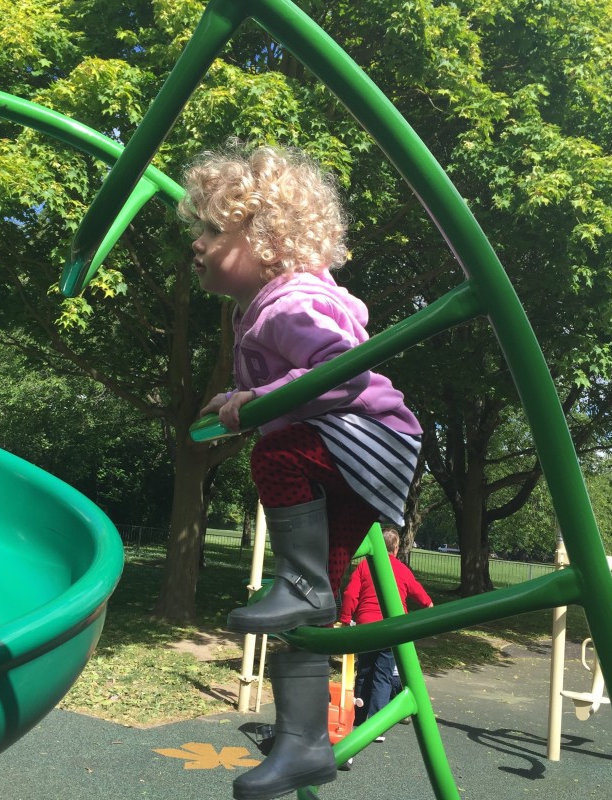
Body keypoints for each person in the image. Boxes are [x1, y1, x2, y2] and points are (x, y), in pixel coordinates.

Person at [180, 141, 422, 800]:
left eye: (209, 229)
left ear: (266, 238)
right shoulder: (255, 307)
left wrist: (249, 404)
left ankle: (302, 584)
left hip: (364, 438)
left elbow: (339, 372)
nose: (195, 244)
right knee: (308, 619)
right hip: (341, 452)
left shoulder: (291, 302)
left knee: (274, 454)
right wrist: (236, 401)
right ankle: (305, 743)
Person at [339, 526, 433, 754]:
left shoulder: (364, 565)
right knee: (382, 674)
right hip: (392, 629)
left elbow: (351, 593)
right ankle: (378, 726)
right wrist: (429, 605)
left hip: (367, 628)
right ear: (397, 547)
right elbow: (417, 591)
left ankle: (359, 717)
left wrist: (345, 618)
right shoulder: (401, 569)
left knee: (364, 670)